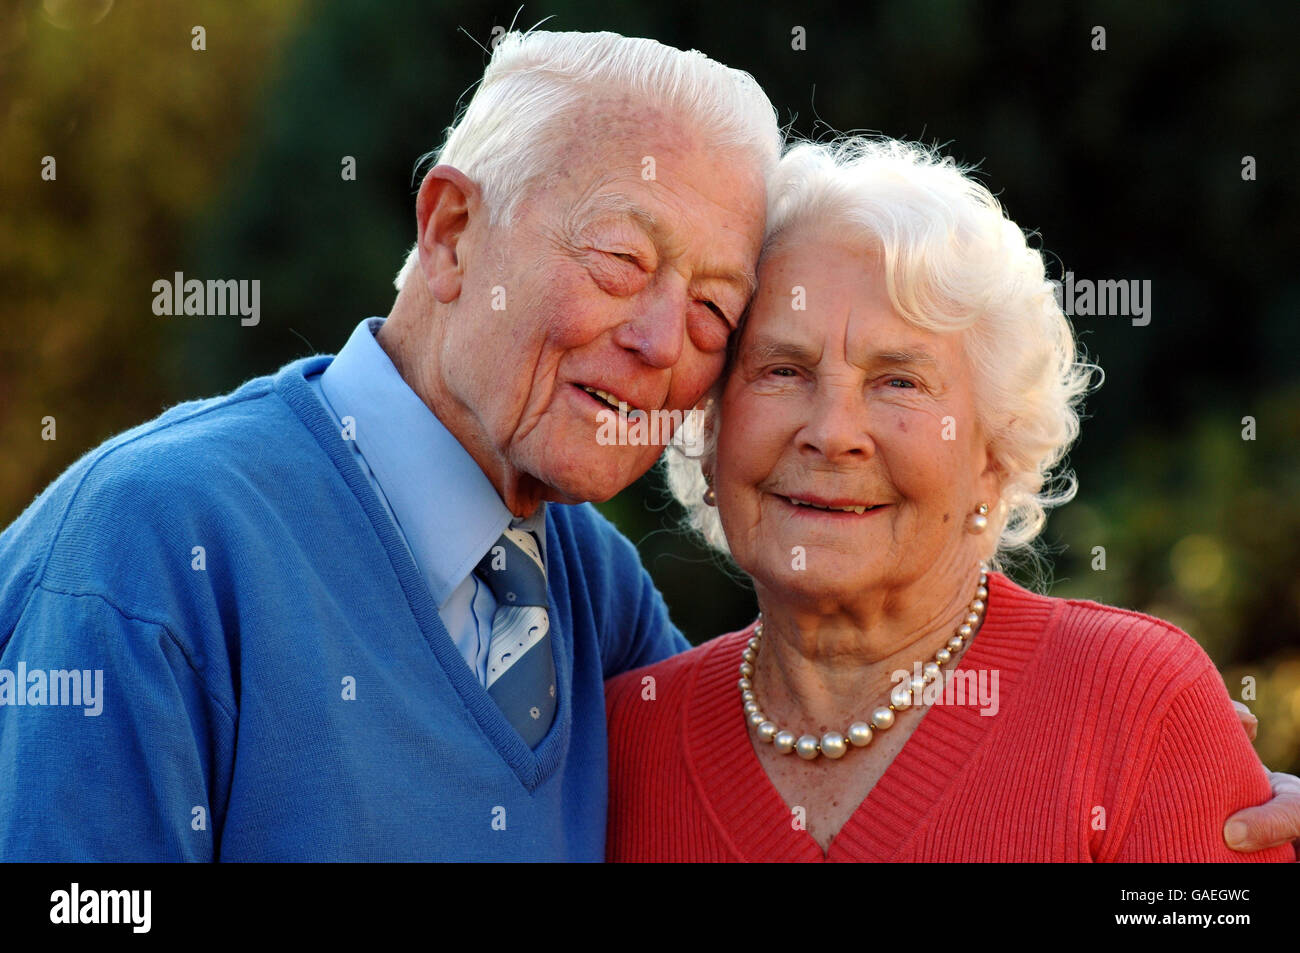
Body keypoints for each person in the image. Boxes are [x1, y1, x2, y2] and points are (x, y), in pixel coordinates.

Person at [0, 30, 776, 861]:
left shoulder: (598, 587)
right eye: (621, 259)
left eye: (713, 311)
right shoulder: (152, 540)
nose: (664, 341)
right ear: (451, 232)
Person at [605, 136, 1298, 862]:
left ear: (995, 454)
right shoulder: (616, 747)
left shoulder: (1135, 707)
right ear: (709, 430)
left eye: (899, 381)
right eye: (781, 369)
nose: (832, 432)